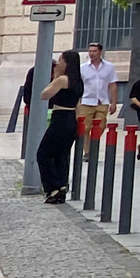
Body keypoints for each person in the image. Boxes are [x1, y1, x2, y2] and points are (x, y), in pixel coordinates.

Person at [37, 47, 81, 202]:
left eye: (61, 60)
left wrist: (55, 77)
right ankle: (61, 185)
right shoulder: (78, 81)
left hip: (61, 118)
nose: (58, 63)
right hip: (71, 118)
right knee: (61, 155)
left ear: (67, 63)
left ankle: (52, 187)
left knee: (43, 153)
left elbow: (44, 94)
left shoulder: (63, 80)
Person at [78, 42, 117, 127]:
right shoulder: (82, 68)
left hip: (102, 102)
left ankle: (94, 141)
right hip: (86, 102)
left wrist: (113, 103)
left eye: (94, 51)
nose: (92, 54)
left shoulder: (109, 67)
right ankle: (86, 141)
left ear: (100, 52)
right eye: (90, 51)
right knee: (84, 127)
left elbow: (112, 84)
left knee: (100, 127)